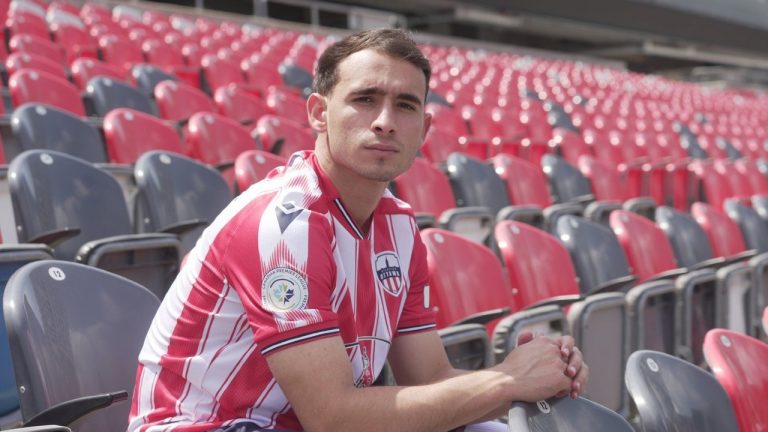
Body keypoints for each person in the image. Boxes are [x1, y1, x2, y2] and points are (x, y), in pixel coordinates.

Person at [127, 28, 588, 432]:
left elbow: (428, 382)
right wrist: (506, 381)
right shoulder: (285, 223)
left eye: (405, 105)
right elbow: (334, 418)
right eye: (365, 99)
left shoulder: (400, 226)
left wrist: (535, 372)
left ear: (424, 128)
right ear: (318, 113)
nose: (385, 121)